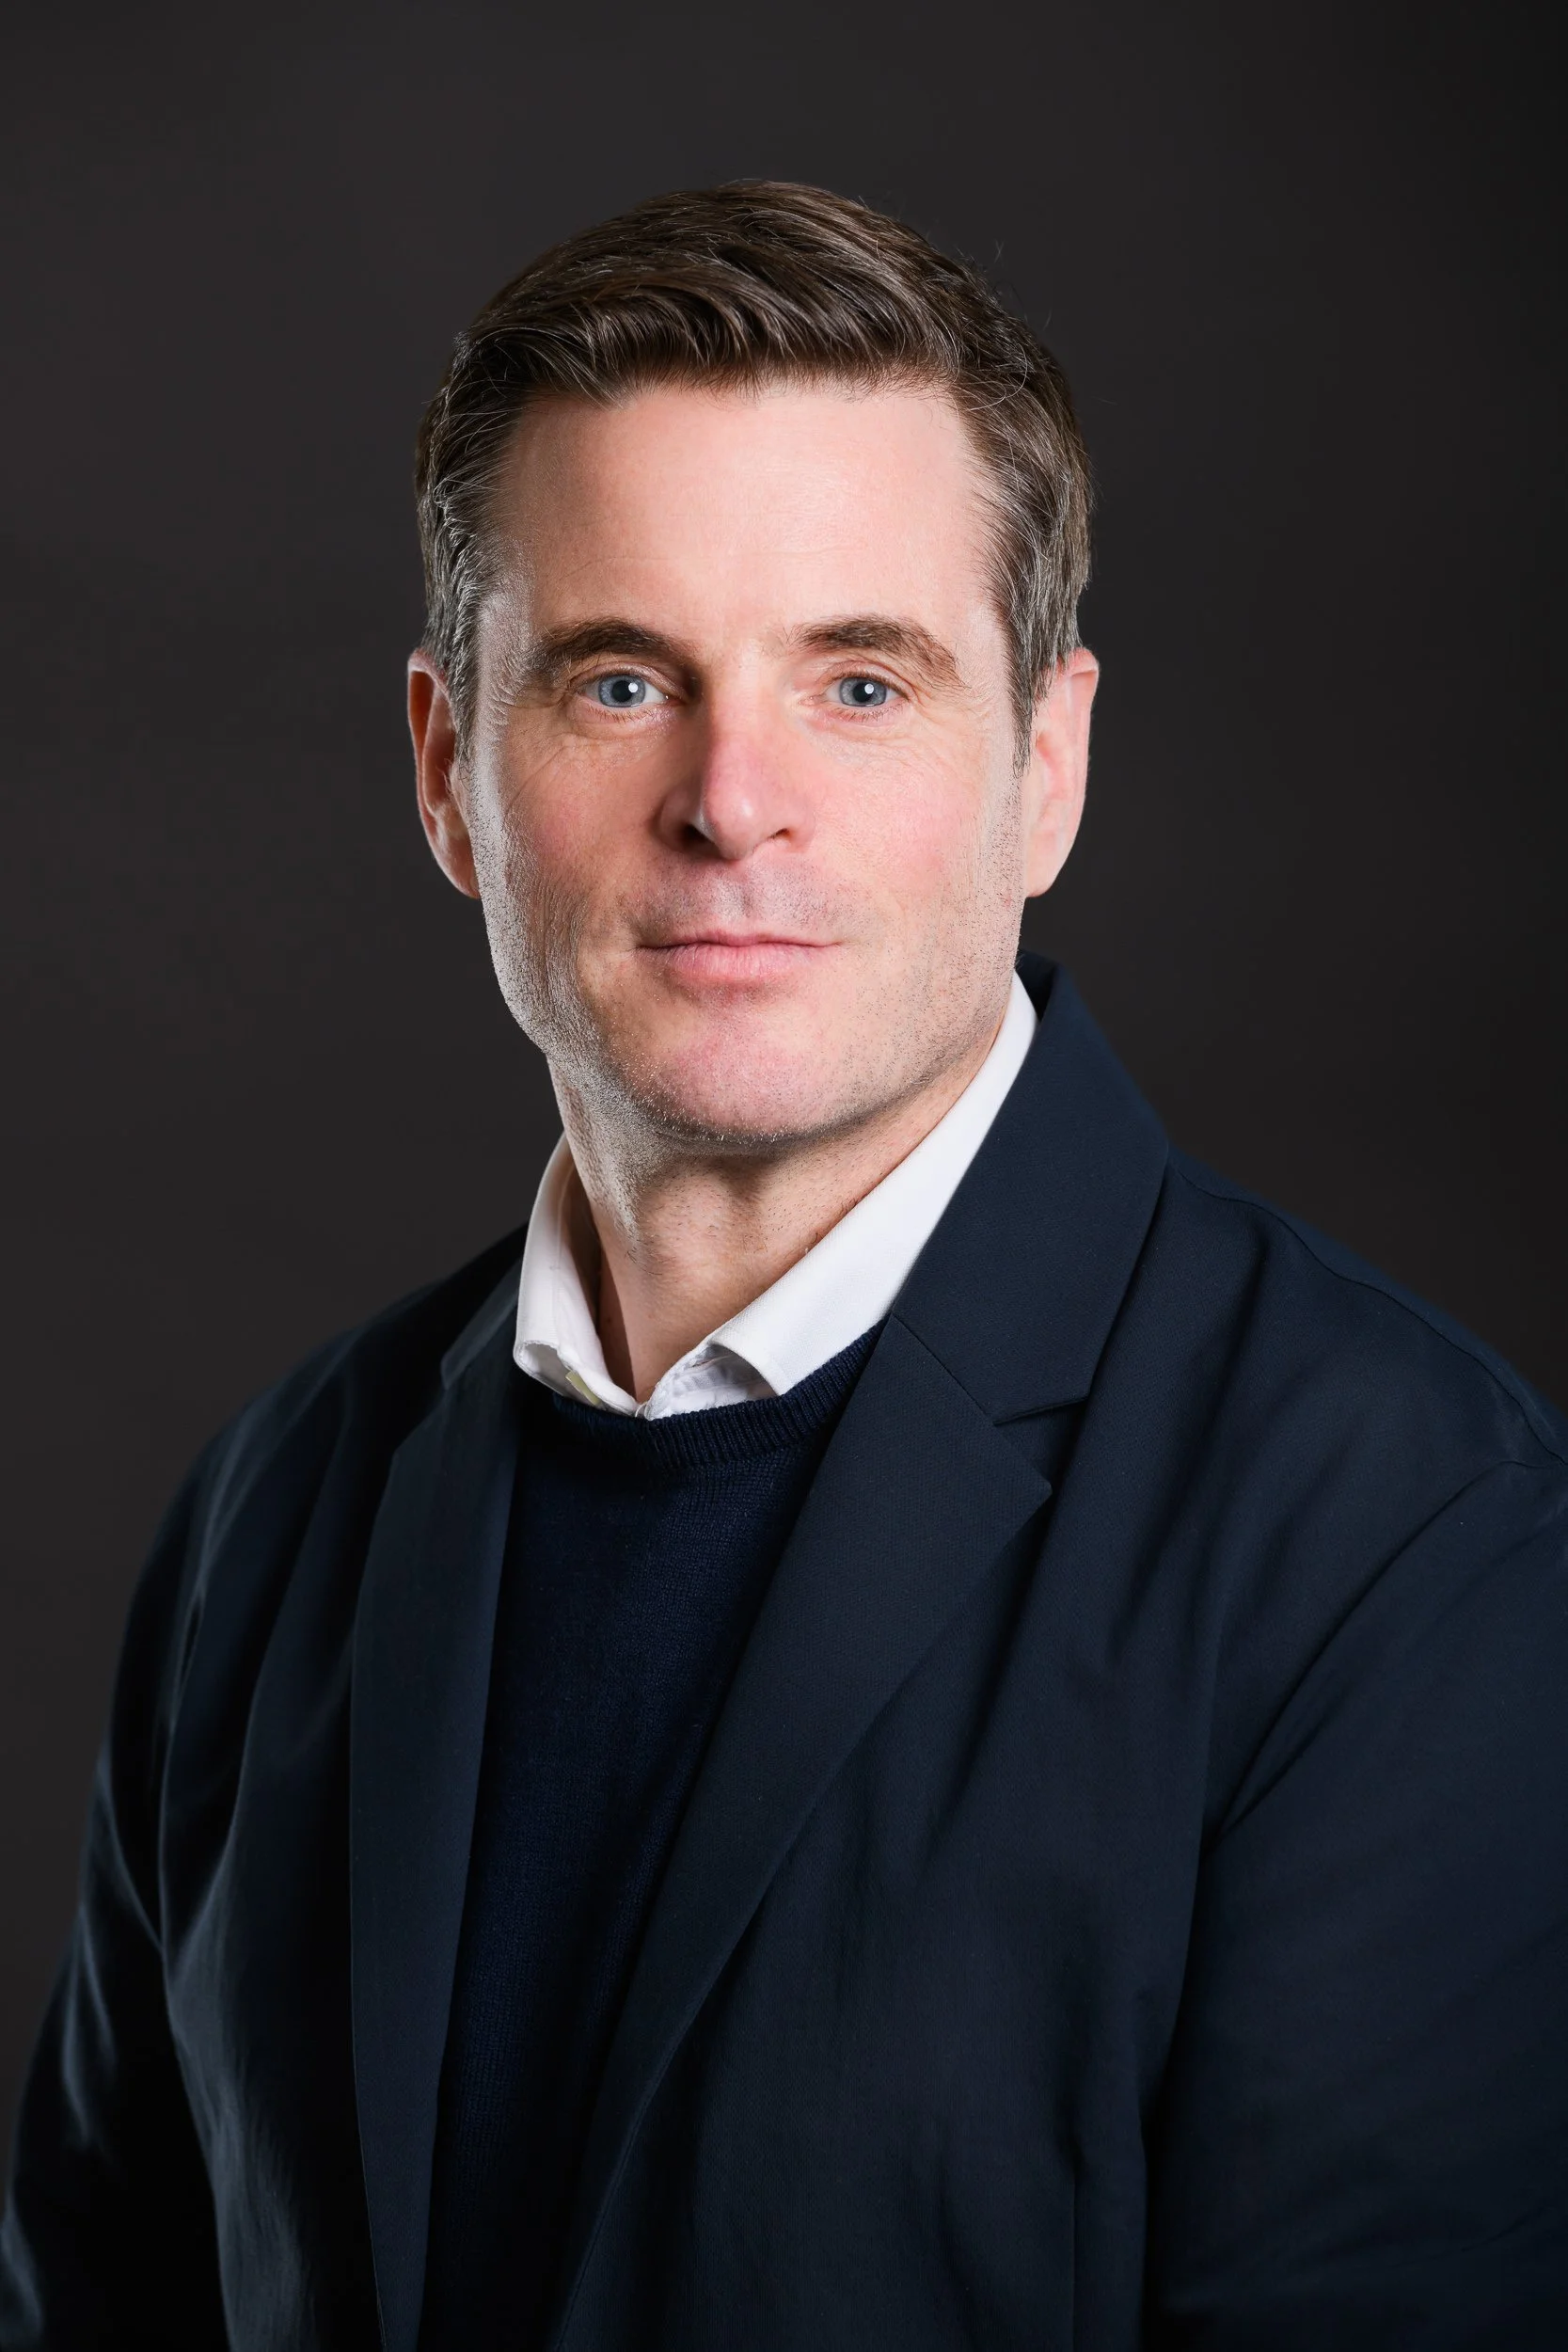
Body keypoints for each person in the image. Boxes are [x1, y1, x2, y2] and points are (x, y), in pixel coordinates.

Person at [2, 181, 1564, 2352]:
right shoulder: (269, 1526)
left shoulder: (1404, 1544)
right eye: (622, 677)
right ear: (453, 774)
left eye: (857, 680)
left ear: (1045, 766)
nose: (733, 802)